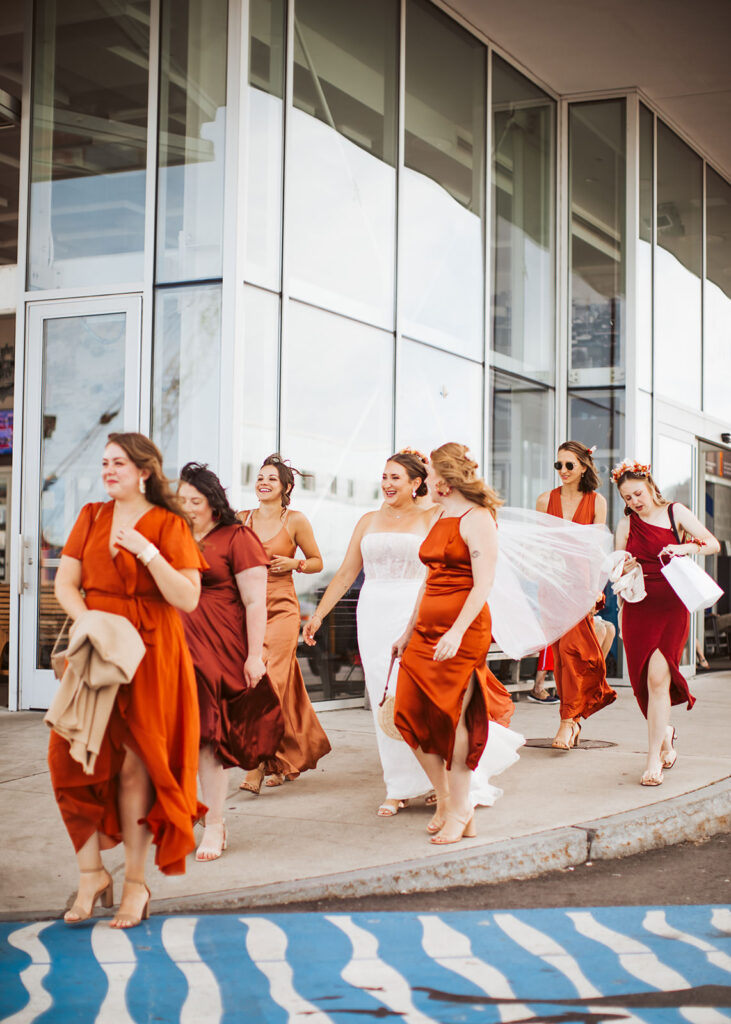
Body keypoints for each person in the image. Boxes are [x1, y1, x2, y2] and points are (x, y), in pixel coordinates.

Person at [50, 433, 206, 928]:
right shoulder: (90, 516)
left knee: (140, 767)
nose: (108, 469)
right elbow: (65, 584)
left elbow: (187, 598)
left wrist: (148, 553)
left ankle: (136, 883)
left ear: (144, 470)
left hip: (153, 655)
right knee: (69, 758)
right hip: (98, 652)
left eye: (118, 462)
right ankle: (91, 872)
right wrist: (87, 620)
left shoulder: (168, 523)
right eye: (104, 462)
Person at [392, 443, 521, 845]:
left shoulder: (478, 517)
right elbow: (429, 580)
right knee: (407, 713)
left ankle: (460, 807)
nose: (424, 482)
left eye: (428, 476)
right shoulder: (440, 515)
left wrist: (456, 631)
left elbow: (483, 583)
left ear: (445, 482)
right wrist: (407, 630)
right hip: (426, 630)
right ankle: (450, 800)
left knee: (454, 719)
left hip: (463, 632)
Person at [303, 450, 438, 816]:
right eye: (384, 476)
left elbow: (437, 572)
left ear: (416, 483)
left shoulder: (431, 517)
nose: (387, 484)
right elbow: (346, 574)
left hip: (414, 610)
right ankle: (397, 786)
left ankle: (434, 780)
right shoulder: (367, 521)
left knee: (412, 697)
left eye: (397, 477)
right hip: (373, 613)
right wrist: (318, 615)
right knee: (382, 697)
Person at [178, 462, 283, 861]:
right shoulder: (175, 535)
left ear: (212, 501)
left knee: (208, 740)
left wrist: (255, 655)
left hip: (218, 647)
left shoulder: (236, 536)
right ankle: (185, 812)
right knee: (176, 737)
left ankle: (215, 824)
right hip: (174, 645)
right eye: (181, 500)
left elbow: (256, 601)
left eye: (195, 501)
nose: (187, 507)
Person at [612, 458, 720, 785]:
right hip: (638, 606)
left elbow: (712, 544)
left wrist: (682, 546)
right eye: (627, 498)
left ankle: (653, 761)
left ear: (650, 486)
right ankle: (666, 735)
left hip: (672, 603)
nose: (634, 502)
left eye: (638, 494)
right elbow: (617, 570)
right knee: (643, 683)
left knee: (659, 679)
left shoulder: (675, 512)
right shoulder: (625, 524)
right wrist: (626, 565)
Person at [239, 454, 331, 792]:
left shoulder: (295, 520)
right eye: (260, 477)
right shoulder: (240, 519)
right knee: (273, 688)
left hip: (281, 609)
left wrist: (294, 563)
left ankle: (256, 764)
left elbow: (318, 561)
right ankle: (283, 758)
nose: (263, 482)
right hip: (248, 610)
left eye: (271, 479)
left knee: (271, 682)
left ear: (285, 487)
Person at [536, 441, 616, 749]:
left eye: (569, 465)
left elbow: (597, 549)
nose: (563, 471)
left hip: (581, 584)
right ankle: (573, 718)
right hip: (552, 584)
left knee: (573, 651)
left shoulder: (597, 502)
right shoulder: (546, 500)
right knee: (560, 653)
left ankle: (568, 721)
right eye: (559, 465)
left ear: (583, 466)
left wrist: (597, 587)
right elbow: (539, 547)